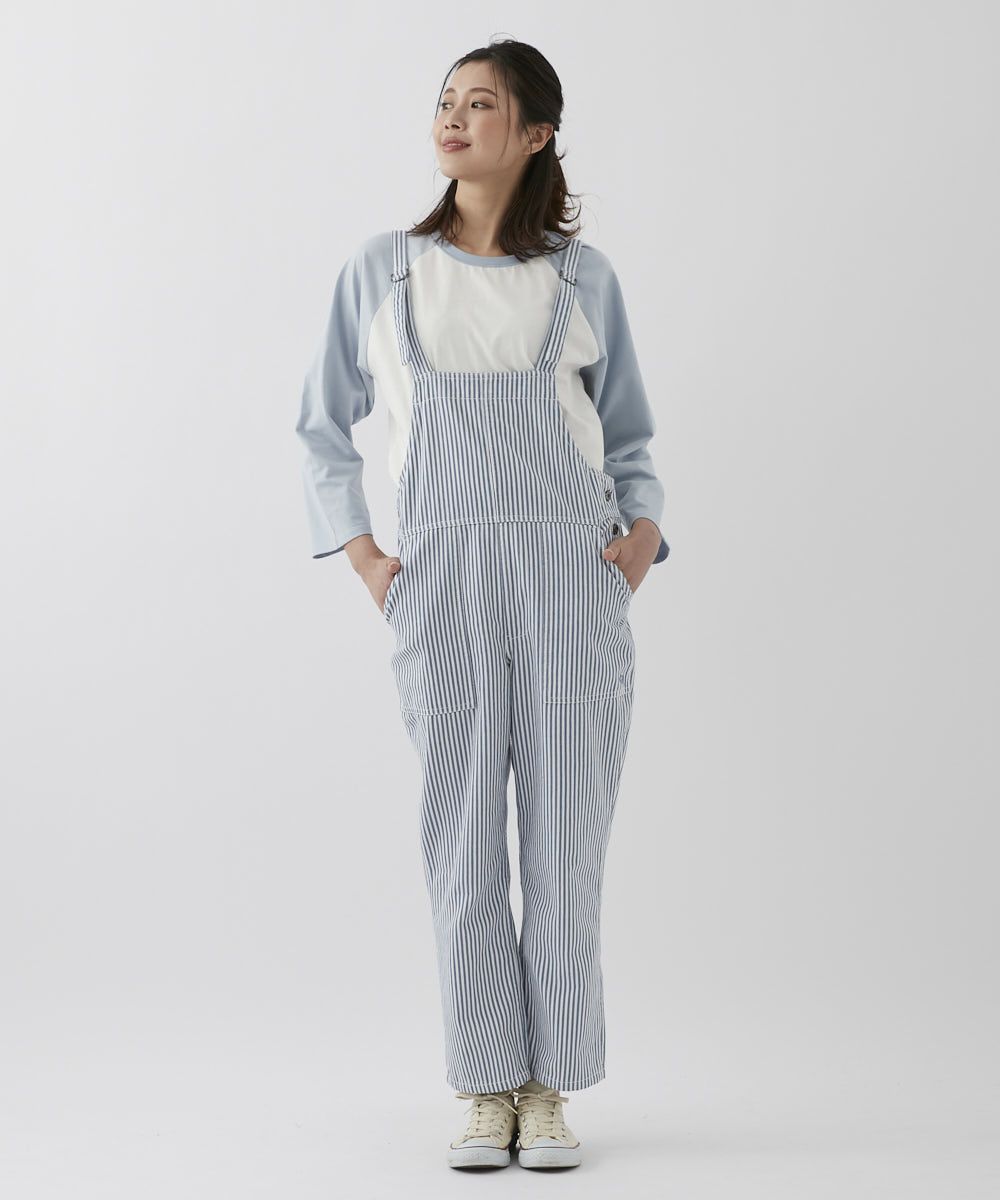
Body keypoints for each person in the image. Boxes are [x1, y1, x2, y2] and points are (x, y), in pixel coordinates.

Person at [295, 38, 670, 1171]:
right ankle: (484, 1084)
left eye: (481, 104)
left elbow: (629, 436)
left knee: (564, 846)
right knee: (461, 845)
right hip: (443, 591)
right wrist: (366, 557)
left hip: (571, 586)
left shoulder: (583, 278)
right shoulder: (383, 272)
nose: (452, 120)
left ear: (536, 133)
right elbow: (320, 426)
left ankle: (547, 1089)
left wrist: (640, 540)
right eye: (445, 102)